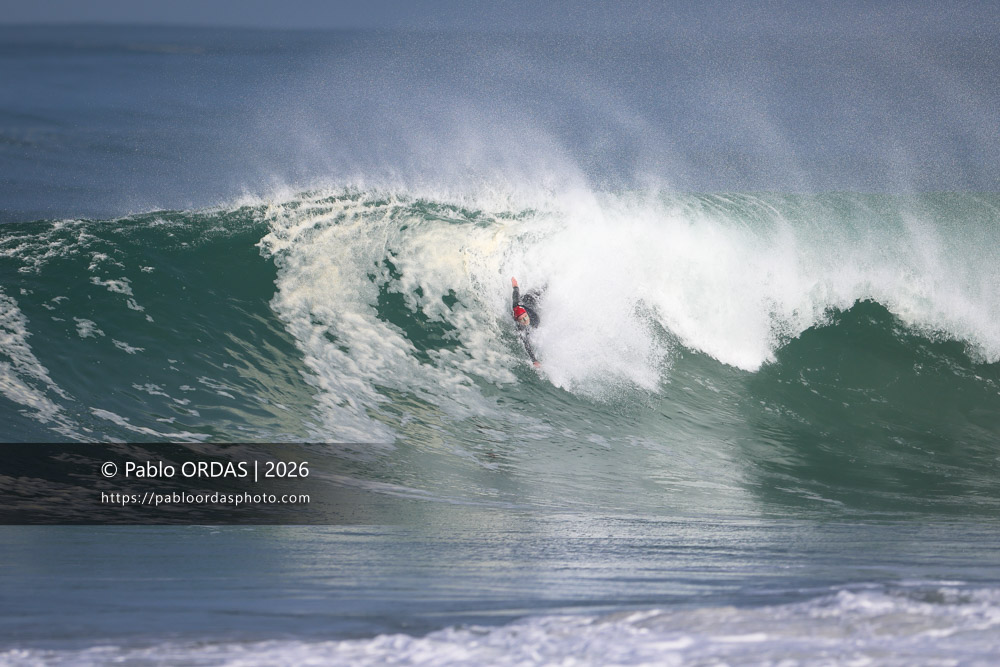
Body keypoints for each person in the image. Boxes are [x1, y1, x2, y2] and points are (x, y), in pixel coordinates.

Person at [511, 277, 541, 367]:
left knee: (541, 290)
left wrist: (515, 284)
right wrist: (534, 360)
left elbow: (516, 290)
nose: (525, 321)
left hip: (530, 299)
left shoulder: (517, 303)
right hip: (529, 309)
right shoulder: (520, 328)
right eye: (522, 320)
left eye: (525, 317)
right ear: (518, 320)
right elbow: (526, 344)